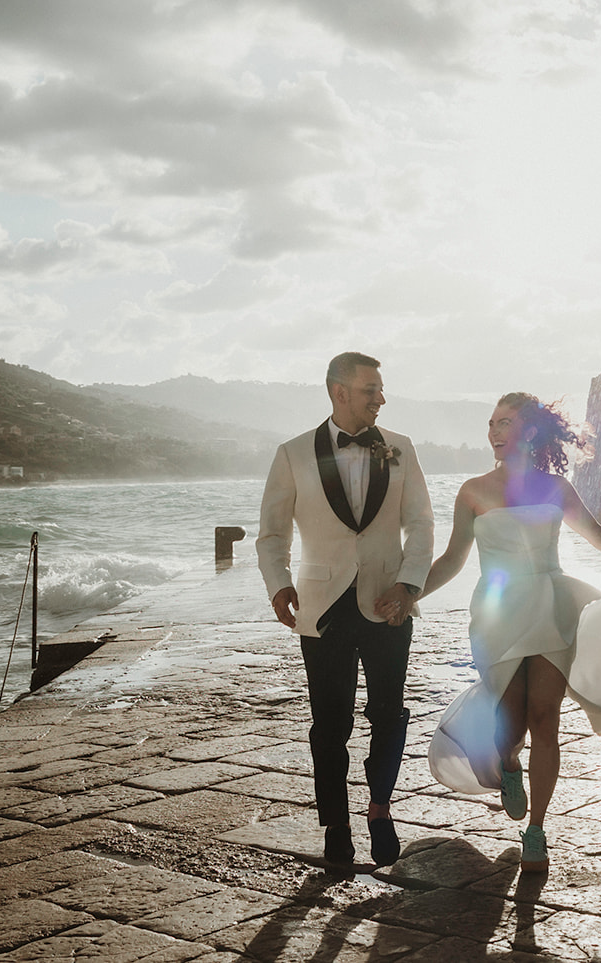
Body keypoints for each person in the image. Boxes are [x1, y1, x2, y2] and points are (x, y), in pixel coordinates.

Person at [419, 392, 601, 873]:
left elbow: (600, 537)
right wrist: (411, 594)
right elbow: (452, 560)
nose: (494, 431)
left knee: (545, 720)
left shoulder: (557, 488)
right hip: (497, 616)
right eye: (491, 422)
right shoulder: (472, 490)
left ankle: (536, 829)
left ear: (529, 432)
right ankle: (508, 766)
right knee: (509, 725)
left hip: (552, 610)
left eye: (505, 422)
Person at [256, 351, 434, 869]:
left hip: (389, 605)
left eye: (380, 389)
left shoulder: (400, 449)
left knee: (388, 715)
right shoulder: (292, 454)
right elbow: (271, 534)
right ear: (339, 392)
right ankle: (336, 825)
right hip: (322, 607)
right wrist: (278, 585)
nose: (381, 398)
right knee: (329, 725)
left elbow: (421, 524)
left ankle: (380, 810)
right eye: (370, 389)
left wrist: (408, 586)